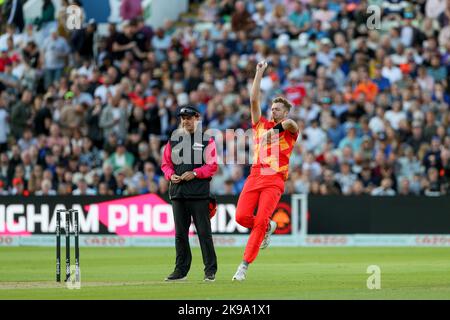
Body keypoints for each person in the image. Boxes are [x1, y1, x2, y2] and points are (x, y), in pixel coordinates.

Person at [232, 61, 300, 281]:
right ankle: (267, 226)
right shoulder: (260, 125)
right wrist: (259, 72)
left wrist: (275, 131)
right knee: (242, 216)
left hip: (274, 179)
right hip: (255, 175)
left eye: (277, 108)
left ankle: (243, 266)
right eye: (272, 108)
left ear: (286, 111)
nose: (273, 110)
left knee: (259, 221)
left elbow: (290, 124)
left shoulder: (289, 128)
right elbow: (253, 99)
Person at [161, 105, 218, 282]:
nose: (186, 121)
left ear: (197, 118)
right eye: (183, 118)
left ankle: (210, 270)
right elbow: (166, 164)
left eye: (189, 117)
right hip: (178, 193)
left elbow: (212, 166)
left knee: (204, 233)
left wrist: (194, 173)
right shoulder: (173, 141)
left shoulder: (207, 140)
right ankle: (180, 271)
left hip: (199, 194)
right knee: (180, 234)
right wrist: (171, 175)